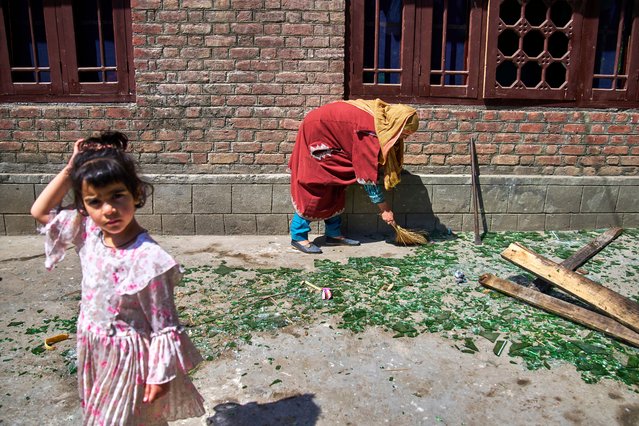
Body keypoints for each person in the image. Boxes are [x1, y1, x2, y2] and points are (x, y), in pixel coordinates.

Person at [30, 131, 205, 425]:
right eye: (94, 202)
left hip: (129, 357)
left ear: (136, 193)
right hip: (92, 344)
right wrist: (72, 168)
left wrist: (159, 374)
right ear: (83, 207)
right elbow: (40, 210)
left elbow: (165, 325)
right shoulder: (87, 231)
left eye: (117, 196)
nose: (108, 209)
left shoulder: (149, 259)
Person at [288, 98, 419, 254]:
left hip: (334, 138)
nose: (404, 139)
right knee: (317, 187)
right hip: (318, 135)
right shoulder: (370, 131)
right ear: (396, 126)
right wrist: (385, 209)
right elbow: (367, 176)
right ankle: (298, 236)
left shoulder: (383, 120)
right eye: (404, 134)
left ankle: (333, 234)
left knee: (336, 185)